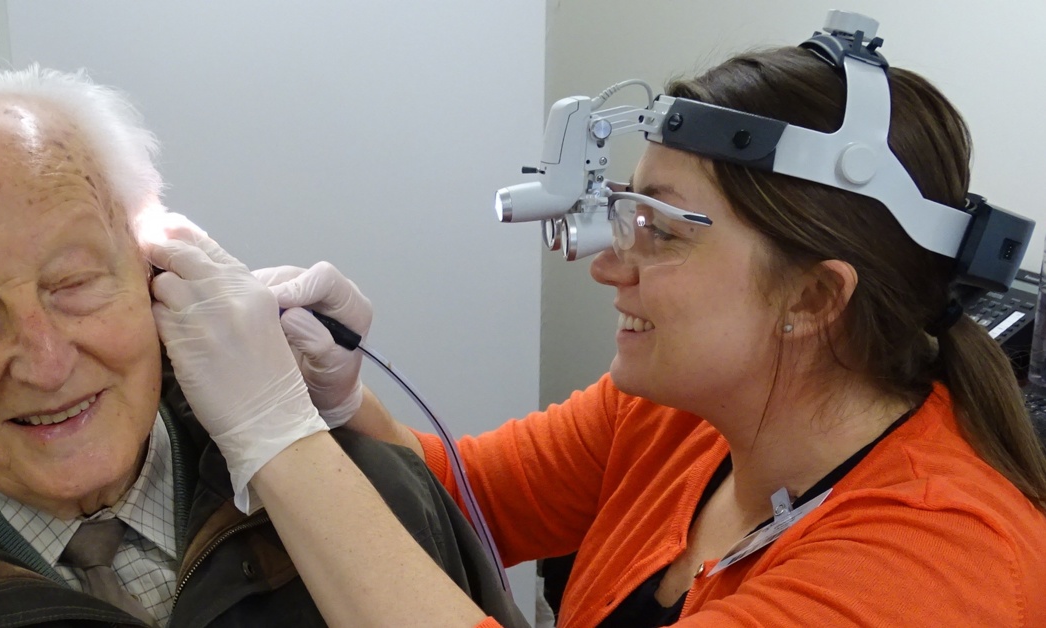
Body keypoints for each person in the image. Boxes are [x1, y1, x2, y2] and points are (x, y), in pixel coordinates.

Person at [143, 44, 1046, 627]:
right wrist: (336, 401)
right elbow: (464, 506)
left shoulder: (936, 568)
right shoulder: (678, 415)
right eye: (625, 214)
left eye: (661, 228)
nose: (609, 264)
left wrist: (276, 438)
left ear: (813, 298)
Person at [0, 65, 525, 627]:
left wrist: (319, 424)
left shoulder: (376, 499)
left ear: (155, 267)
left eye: (74, 282)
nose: (45, 362)